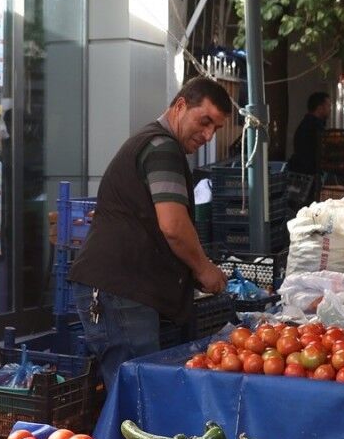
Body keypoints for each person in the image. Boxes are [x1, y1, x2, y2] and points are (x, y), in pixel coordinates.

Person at [69, 77, 231, 389]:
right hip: (121, 289)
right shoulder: (162, 147)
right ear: (180, 106)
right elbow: (173, 226)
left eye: (216, 128)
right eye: (205, 121)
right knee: (139, 394)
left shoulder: (153, 143)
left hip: (121, 289)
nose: (209, 135)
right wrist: (203, 268)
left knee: (135, 391)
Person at [287, 92, 331, 176]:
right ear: (320, 108)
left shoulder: (307, 123)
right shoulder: (314, 127)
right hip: (309, 174)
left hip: (304, 172)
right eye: (328, 106)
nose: (330, 109)